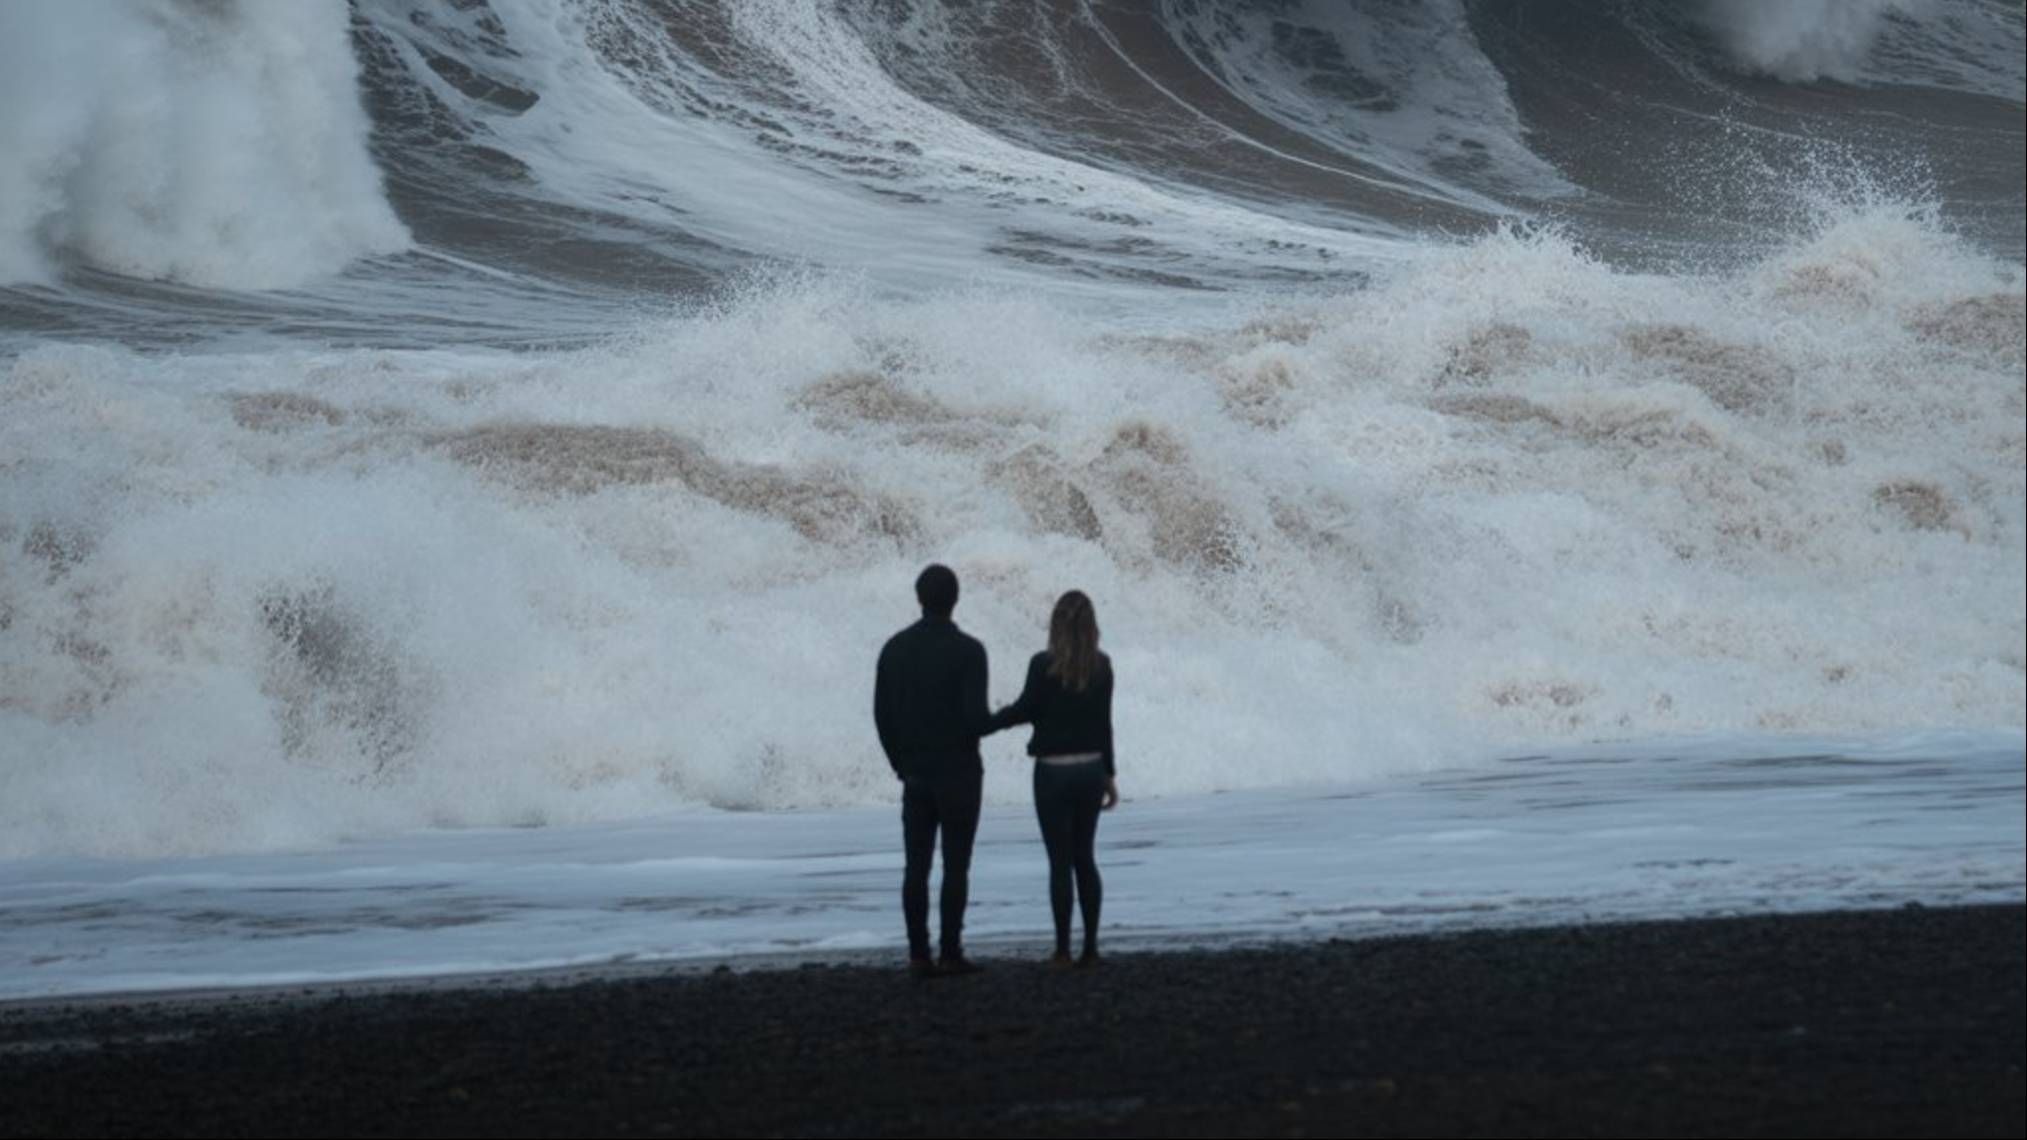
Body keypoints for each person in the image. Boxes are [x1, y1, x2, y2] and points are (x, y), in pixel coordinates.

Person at [873, 564, 993, 978]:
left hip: (916, 772)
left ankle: (918, 954)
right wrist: (1017, 717)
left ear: (919, 598)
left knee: (916, 866)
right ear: (955, 599)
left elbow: (882, 716)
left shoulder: (894, 649)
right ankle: (951, 950)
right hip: (959, 770)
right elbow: (976, 719)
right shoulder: (969, 651)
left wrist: (899, 764)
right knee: (956, 865)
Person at [990, 590, 1118, 969]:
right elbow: (1103, 725)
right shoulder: (1102, 666)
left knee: (1059, 862)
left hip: (1053, 772)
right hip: (1090, 769)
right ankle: (1091, 949)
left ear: (1055, 625)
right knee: (1085, 858)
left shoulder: (1042, 664)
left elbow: (1024, 710)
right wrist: (1109, 775)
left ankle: (1062, 951)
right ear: (1091, 626)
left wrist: (983, 724)